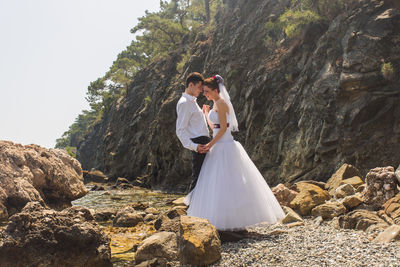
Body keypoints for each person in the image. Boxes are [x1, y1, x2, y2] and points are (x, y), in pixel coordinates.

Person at [184, 75, 285, 231]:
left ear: (216, 90)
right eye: (203, 91)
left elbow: (224, 129)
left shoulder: (222, 103)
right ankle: (220, 217)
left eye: (207, 91)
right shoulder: (215, 103)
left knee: (230, 182)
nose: (205, 94)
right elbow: (215, 128)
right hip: (219, 146)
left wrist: (210, 144)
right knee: (217, 183)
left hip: (225, 146)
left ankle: (232, 220)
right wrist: (206, 114)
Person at [176, 72, 211, 192]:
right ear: (191, 85)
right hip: (199, 144)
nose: (201, 91)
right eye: (199, 88)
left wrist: (202, 113)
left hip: (204, 142)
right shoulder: (185, 103)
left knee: (205, 178)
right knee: (198, 178)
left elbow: (194, 123)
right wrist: (195, 146)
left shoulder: (192, 101)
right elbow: (180, 130)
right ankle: (191, 209)